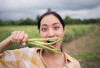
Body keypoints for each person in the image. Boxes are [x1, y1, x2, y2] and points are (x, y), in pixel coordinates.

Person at [0, 11, 81, 68]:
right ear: (39, 33)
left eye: (56, 27)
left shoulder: (74, 65)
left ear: (63, 30)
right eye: (44, 29)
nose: (51, 34)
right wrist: (10, 40)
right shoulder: (24, 56)